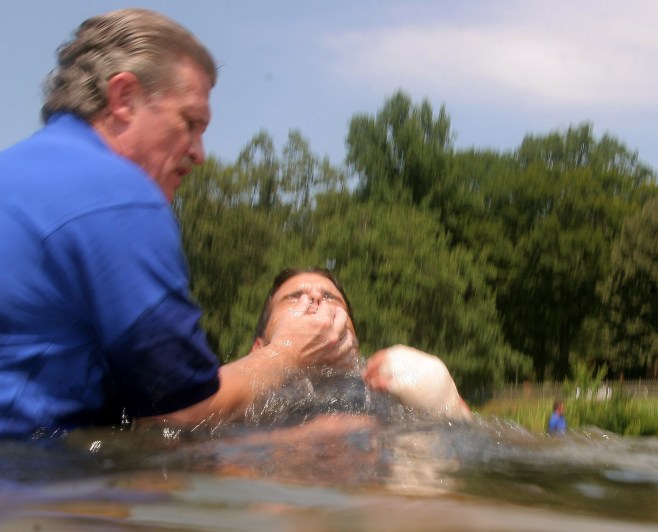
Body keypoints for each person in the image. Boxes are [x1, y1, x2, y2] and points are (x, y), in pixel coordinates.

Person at [0, 9, 353, 439]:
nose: (199, 153)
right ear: (124, 97)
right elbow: (180, 415)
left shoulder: (17, 171)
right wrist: (289, 353)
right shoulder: (117, 196)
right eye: (190, 124)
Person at [251, 268, 471, 421]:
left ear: (354, 343)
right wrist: (281, 355)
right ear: (258, 348)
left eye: (331, 298)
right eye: (294, 296)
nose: (315, 296)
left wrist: (443, 403)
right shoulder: (241, 407)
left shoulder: (390, 402)